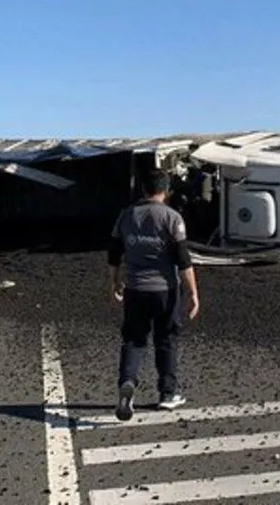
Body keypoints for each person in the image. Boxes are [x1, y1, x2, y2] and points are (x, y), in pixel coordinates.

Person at [108, 170, 200, 421]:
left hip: (135, 289)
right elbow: (183, 260)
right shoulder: (172, 218)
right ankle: (167, 394)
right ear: (165, 190)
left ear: (143, 189)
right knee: (166, 339)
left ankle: (127, 381)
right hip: (165, 290)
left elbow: (114, 253)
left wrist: (116, 282)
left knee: (133, 340)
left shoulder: (126, 216)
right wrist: (193, 293)